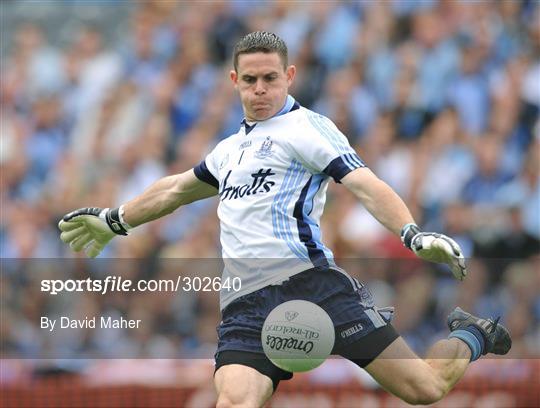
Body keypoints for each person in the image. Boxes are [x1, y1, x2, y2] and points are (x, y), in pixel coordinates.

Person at [59, 32, 511, 407]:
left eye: (270, 78)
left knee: (424, 390)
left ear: (289, 76)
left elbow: (364, 183)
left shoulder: (306, 128)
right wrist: (115, 219)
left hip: (313, 288)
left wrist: (411, 234)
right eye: (250, 79)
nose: (260, 89)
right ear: (234, 81)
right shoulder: (227, 150)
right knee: (234, 402)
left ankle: (473, 333)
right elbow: (175, 189)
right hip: (246, 304)